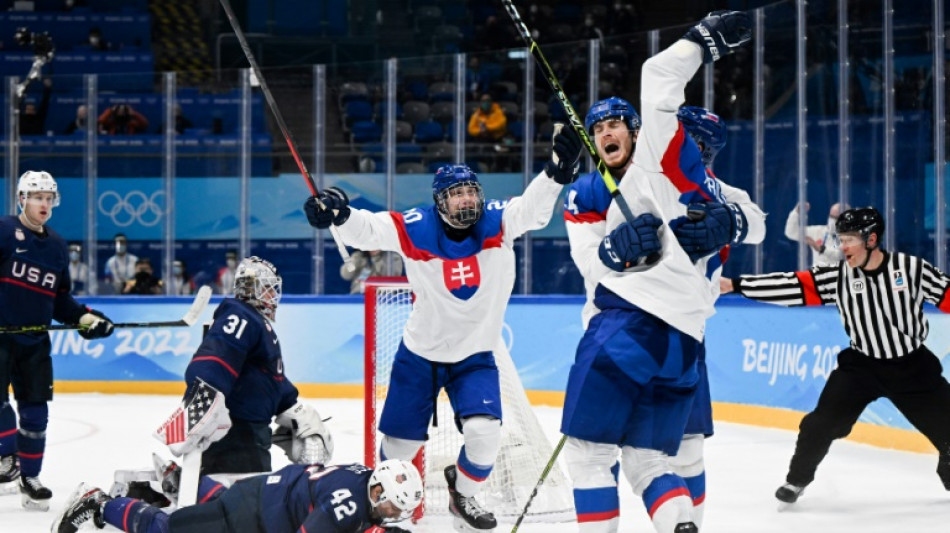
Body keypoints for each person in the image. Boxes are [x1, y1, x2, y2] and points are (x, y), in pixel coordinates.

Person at [303, 126, 584, 532]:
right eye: (456, 194)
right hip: (420, 356)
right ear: (440, 202)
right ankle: (385, 513)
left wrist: (557, 172)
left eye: (471, 191)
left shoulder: (498, 221)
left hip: (475, 357)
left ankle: (463, 496)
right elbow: (369, 228)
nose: (467, 200)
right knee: (400, 449)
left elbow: (534, 210)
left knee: (486, 436)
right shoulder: (416, 227)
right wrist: (339, 214)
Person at [558, 11, 755, 533]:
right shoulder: (707, 191)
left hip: (630, 326)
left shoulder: (661, 162)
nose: (605, 133)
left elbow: (658, 77)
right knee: (655, 458)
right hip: (685, 339)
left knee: (590, 454)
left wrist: (699, 40)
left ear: (643, 132)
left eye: (614, 123)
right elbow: (753, 222)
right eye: (597, 128)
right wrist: (610, 253)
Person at [721, 206, 950, 505]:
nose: (843, 247)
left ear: (871, 239)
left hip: (912, 368)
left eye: (850, 240)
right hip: (861, 368)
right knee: (819, 424)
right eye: (841, 239)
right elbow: (793, 286)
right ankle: (797, 480)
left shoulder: (911, 269)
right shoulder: (839, 276)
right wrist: (737, 285)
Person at [155, 256, 333, 476]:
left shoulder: (256, 323)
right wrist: (203, 398)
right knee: (242, 504)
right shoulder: (240, 314)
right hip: (235, 435)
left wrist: (291, 405)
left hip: (252, 434)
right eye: (268, 288)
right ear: (252, 288)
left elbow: (267, 377)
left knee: (250, 501)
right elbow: (215, 357)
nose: (273, 295)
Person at [0, 171, 114, 511]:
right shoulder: (4, 231)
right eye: (37, 197)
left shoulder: (57, 246)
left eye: (49, 198)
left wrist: (85, 319)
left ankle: (30, 478)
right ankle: (8, 456)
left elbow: (60, 301)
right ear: (22, 199)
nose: (44, 204)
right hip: (0, 336)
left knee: (36, 413)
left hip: (34, 341)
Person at [52, 459, 423, 533]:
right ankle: (97, 502)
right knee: (167, 531)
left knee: (215, 504)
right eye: (392, 504)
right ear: (377, 490)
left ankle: (179, 481)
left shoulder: (363, 478)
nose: (392, 513)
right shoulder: (349, 506)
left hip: (262, 495)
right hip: (251, 516)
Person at [784, 201, 845, 266]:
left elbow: (840, 255)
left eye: (836, 218)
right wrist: (796, 212)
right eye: (831, 216)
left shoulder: (851, 236)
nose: (832, 221)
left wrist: (821, 248)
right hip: (817, 274)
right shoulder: (818, 231)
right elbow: (791, 232)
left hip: (839, 274)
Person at [340, 249, 404, 294]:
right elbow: (345, 275)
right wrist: (355, 262)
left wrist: (376, 259)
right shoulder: (359, 256)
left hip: (382, 298)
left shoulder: (392, 256)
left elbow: (391, 278)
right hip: (358, 296)